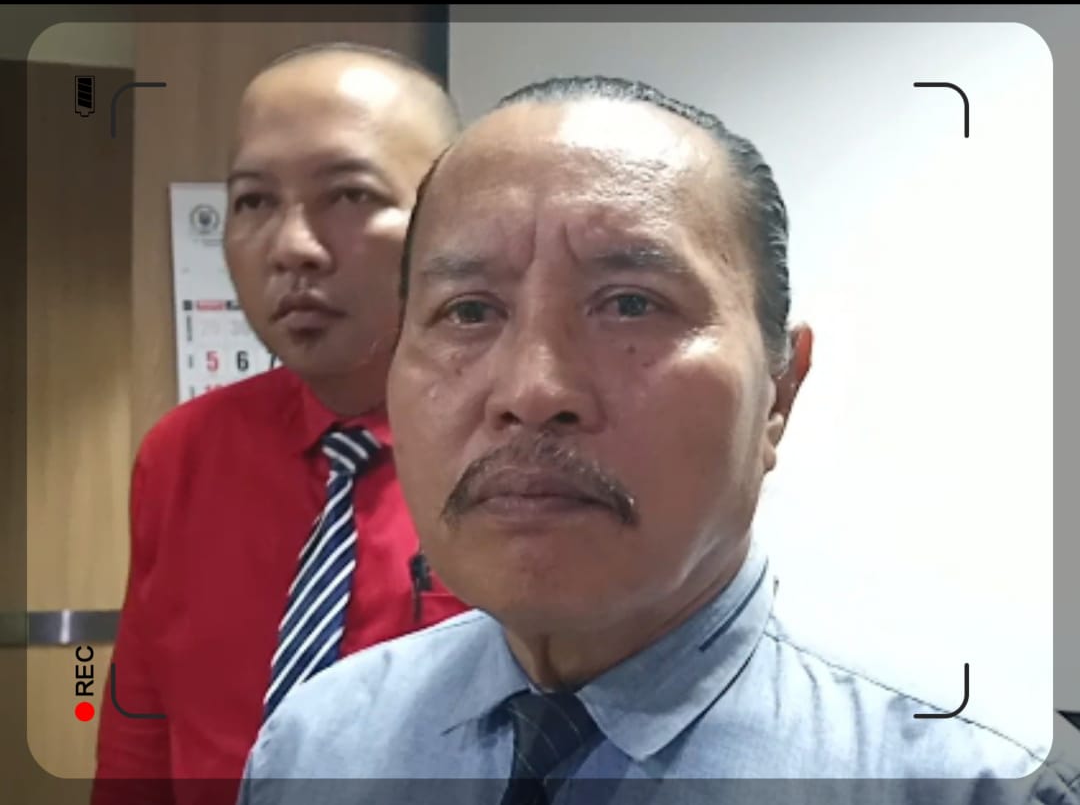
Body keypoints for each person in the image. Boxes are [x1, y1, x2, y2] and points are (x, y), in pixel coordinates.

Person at [236, 76, 1080, 805]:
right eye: (468, 312)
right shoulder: (319, 748)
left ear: (780, 392)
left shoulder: (963, 780)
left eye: (631, 304)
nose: (532, 391)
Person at [91, 43, 469, 805]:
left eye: (350, 195)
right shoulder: (184, 453)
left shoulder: (521, 454)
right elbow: (141, 727)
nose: (292, 247)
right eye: (254, 202)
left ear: (457, 223)